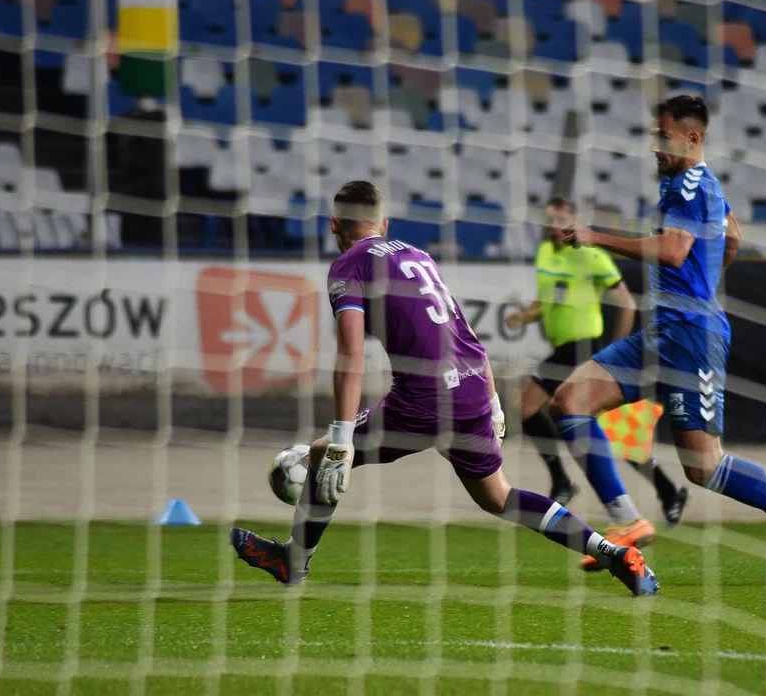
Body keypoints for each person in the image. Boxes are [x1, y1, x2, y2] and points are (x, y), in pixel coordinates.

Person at [230, 181, 658, 597]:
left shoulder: (349, 265)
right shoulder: (417, 255)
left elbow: (351, 354)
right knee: (499, 496)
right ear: (384, 223)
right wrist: (492, 401)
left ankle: (294, 562)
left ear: (333, 225)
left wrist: (342, 435)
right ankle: (612, 552)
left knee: (325, 454)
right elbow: (463, 328)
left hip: (423, 397)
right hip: (471, 387)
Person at [551, 94, 766, 564]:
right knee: (569, 401)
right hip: (666, 330)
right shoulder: (698, 185)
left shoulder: (690, 186)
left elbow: (671, 252)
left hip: (689, 338)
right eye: (654, 137)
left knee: (705, 467)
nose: (655, 147)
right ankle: (627, 519)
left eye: (663, 137)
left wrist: (594, 236)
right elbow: (734, 236)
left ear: (692, 138)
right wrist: (706, 284)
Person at [506, 196, 690, 526]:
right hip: (564, 347)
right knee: (611, 426)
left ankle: (563, 481)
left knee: (527, 405)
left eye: (560, 220)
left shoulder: (591, 255)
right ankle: (668, 489)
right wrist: (525, 316)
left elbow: (628, 304)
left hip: (583, 346)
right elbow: (547, 298)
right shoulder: (546, 253)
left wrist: (616, 355)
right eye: (548, 220)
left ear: (572, 222)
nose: (553, 227)